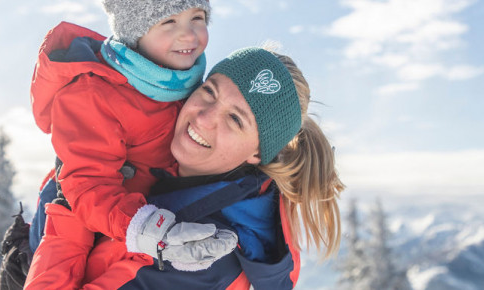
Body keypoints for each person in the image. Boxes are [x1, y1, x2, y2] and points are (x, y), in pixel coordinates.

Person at [24, 47, 344, 289]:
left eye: (235, 119)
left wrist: (66, 213)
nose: (203, 118)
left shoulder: (202, 255)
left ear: (258, 153)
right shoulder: (162, 166)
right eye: (209, 92)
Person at [17, 0, 241, 287]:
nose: (189, 34)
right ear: (135, 30)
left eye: (197, 18)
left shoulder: (186, 85)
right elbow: (88, 187)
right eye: (168, 21)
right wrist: (149, 228)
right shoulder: (92, 93)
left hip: (141, 212)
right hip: (89, 214)